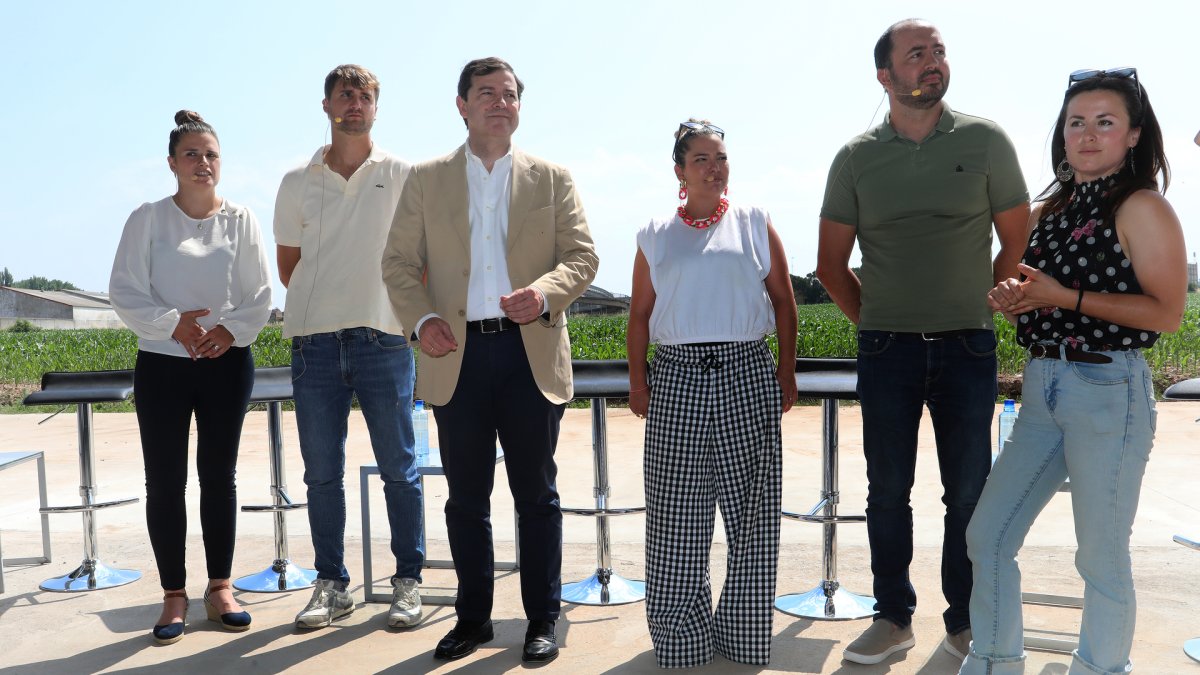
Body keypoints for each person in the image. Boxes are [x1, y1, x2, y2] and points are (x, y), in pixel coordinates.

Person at [815, 19, 1031, 665]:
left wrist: (980, 302)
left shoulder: (986, 139)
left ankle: (965, 620)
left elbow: (1015, 241)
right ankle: (892, 616)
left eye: (938, 52)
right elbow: (830, 264)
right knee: (887, 492)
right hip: (889, 351)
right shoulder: (856, 157)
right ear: (885, 76)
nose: (932, 62)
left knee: (968, 492)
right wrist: (877, 320)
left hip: (968, 347)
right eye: (917, 55)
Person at [961, 68, 1184, 675]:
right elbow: (1027, 289)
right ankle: (996, 661)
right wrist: (1013, 297)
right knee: (989, 537)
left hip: (1109, 389)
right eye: (1075, 122)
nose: (1087, 135)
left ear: (1134, 134)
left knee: (1101, 557)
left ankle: (1099, 669)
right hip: (1042, 388)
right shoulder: (1048, 210)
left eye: (1105, 122)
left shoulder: (1143, 207)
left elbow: (1167, 313)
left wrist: (1063, 297)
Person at [382, 56, 598, 664]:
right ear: (462, 105)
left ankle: (541, 619)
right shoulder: (425, 179)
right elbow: (397, 263)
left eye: (509, 94)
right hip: (458, 356)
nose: (500, 103)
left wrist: (547, 291)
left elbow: (582, 257)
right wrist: (422, 322)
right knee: (466, 499)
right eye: (486, 93)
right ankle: (473, 618)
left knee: (537, 496)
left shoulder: (551, 178)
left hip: (529, 353)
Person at [627, 119, 797, 668]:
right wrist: (637, 378)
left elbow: (785, 302)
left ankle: (743, 638)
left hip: (747, 371)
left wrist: (786, 371)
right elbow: (640, 315)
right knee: (677, 516)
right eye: (700, 159)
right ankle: (681, 640)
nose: (713, 167)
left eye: (720, 157)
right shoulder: (655, 233)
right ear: (679, 171)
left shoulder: (753, 222)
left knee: (752, 516)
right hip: (675, 377)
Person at [109, 110, 271, 645]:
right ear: (172, 163)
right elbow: (125, 290)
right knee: (166, 481)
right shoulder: (149, 219)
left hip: (227, 364)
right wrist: (173, 325)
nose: (203, 164)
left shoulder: (242, 219)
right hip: (162, 366)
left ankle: (220, 586)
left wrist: (227, 331)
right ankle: (174, 594)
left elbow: (259, 294)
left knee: (219, 477)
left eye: (211, 155)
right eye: (192, 155)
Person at [274, 64, 422, 630]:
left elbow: (420, 257)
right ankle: (332, 584)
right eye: (344, 95)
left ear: (376, 108)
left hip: (384, 338)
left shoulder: (405, 173)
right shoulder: (296, 181)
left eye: (364, 96)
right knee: (320, 475)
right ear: (327, 105)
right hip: (314, 344)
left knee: (400, 470)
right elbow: (291, 266)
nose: (354, 103)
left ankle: (406, 580)